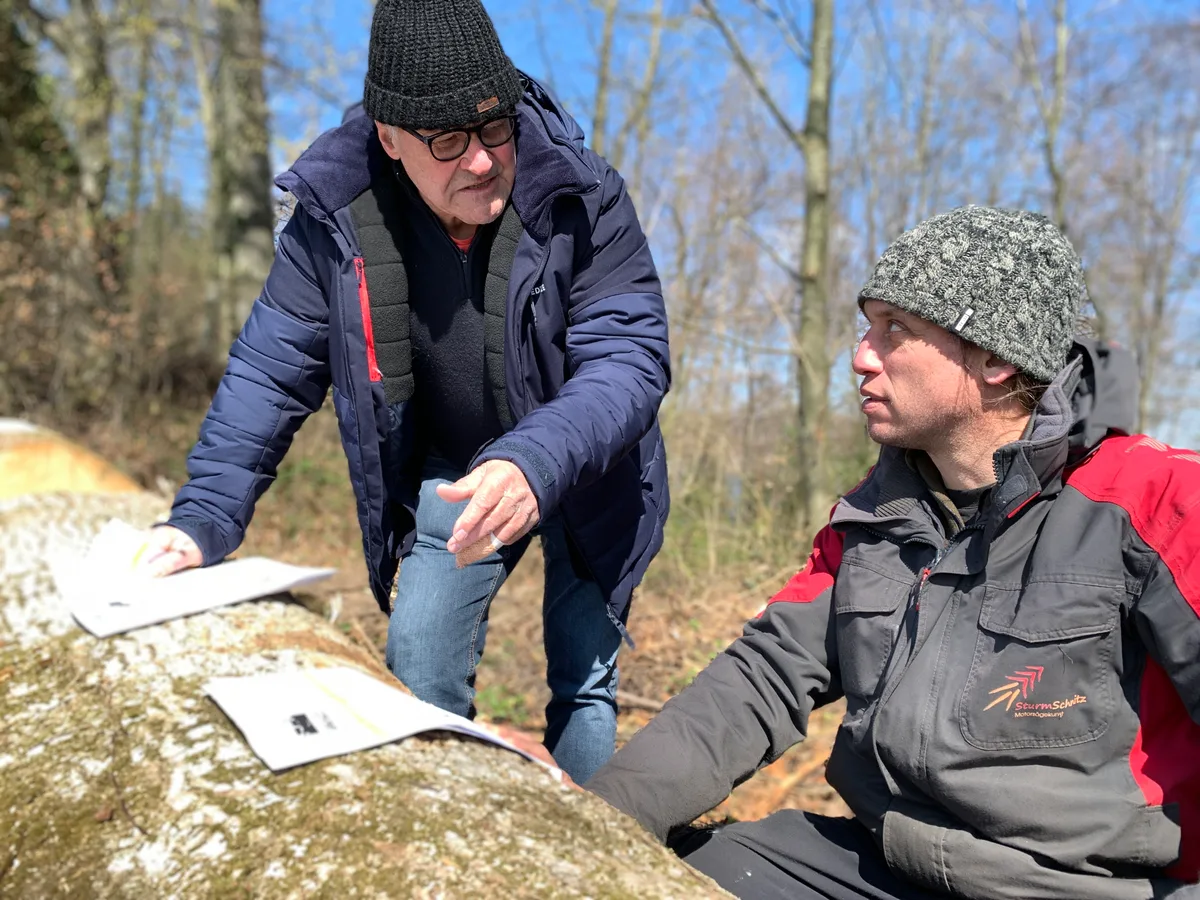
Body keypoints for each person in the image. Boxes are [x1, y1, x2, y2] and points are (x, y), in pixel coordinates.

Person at [586, 206, 1199, 899]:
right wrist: (589, 823)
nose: (860, 355)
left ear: (996, 358)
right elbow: (760, 679)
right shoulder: (874, 514)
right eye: (865, 325)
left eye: (895, 330)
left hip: (1086, 888)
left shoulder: (1158, 500)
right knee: (674, 874)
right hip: (893, 866)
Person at [140, 0, 670, 785]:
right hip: (456, 468)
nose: (484, 161)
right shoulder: (335, 219)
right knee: (419, 658)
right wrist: (204, 517)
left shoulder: (584, 194)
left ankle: (590, 849)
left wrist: (535, 461)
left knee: (582, 681)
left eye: (496, 129)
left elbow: (630, 355)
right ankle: (449, 829)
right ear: (389, 138)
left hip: (590, 467)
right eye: (447, 141)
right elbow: (270, 367)